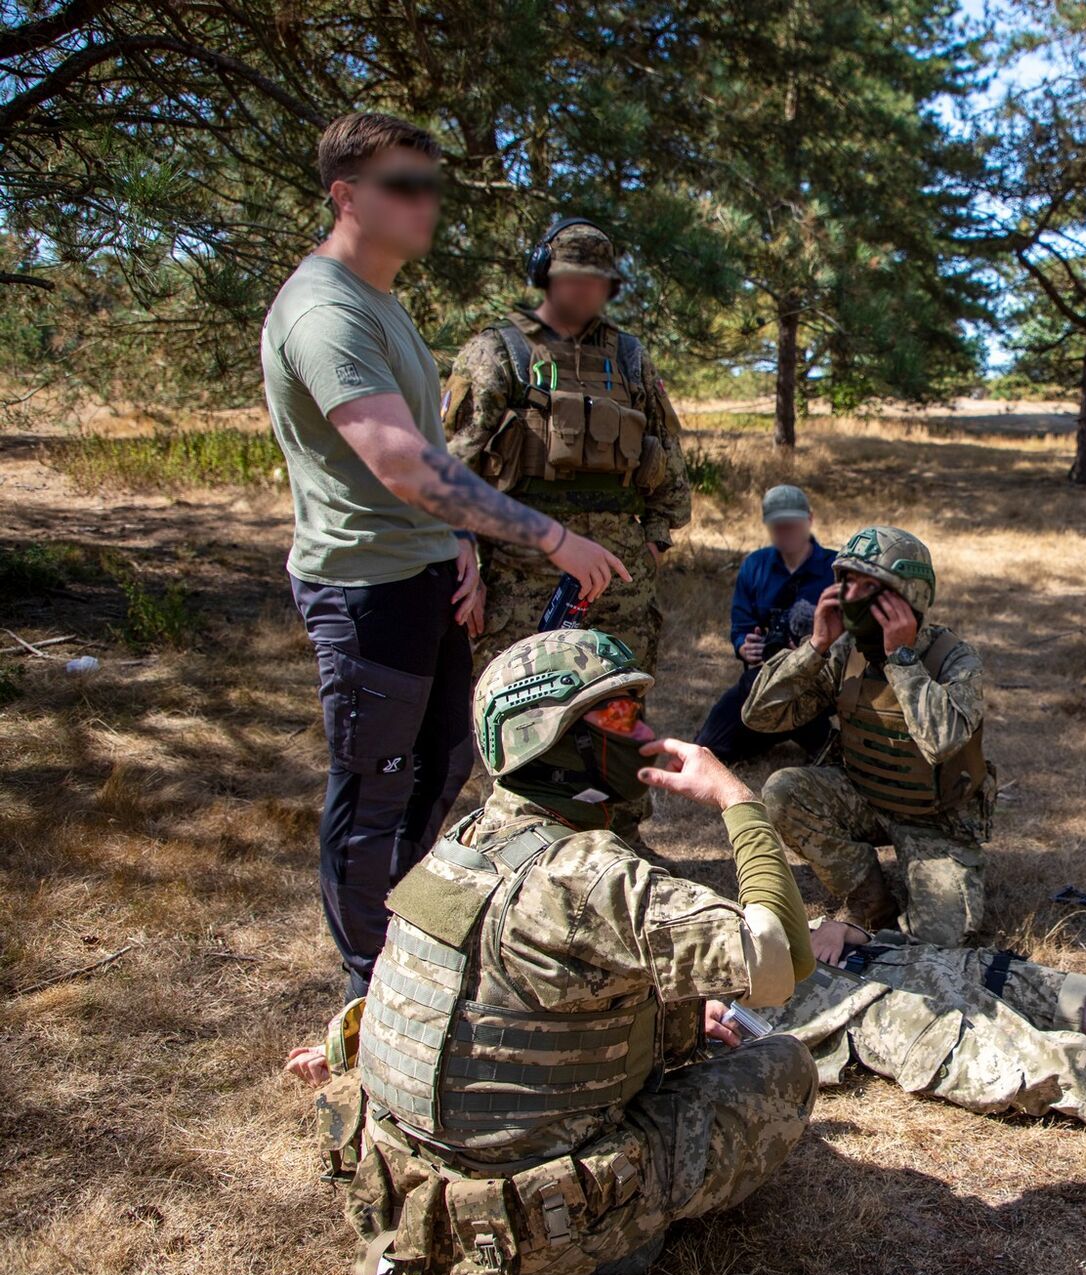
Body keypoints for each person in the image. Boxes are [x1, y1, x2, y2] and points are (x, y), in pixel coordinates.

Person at [289, 628, 818, 1275]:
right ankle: (611, 1238)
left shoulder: (463, 842)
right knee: (786, 1065)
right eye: (624, 716)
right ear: (556, 739)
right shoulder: (593, 877)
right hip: (538, 1225)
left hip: (405, 1193)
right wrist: (735, 800)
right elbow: (781, 957)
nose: (648, 732)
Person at [262, 112, 630, 1000]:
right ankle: (367, 988)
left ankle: (406, 938)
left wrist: (457, 541)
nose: (426, 203)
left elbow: (431, 454)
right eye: (404, 185)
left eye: (432, 185)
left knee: (443, 765)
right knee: (375, 790)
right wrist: (549, 535)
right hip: (364, 589)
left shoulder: (381, 301)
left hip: (422, 576)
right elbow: (396, 461)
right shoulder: (322, 310)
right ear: (347, 196)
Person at [441, 216, 691, 839]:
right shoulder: (497, 351)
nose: (585, 292)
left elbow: (667, 452)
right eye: (572, 277)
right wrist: (462, 555)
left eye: (597, 280)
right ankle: (513, 848)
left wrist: (656, 536)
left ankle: (620, 842)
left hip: (621, 567)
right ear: (544, 276)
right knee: (516, 707)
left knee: (621, 705)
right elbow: (452, 468)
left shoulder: (630, 356)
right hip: (523, 565)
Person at [732, 919, 1086, 1158]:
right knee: (1083, 1072)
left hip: (921, 961)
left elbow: (831, 928)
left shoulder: (702, 923)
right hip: (893, 1018)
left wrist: (839, 927)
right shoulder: (678, 1024)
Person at [741, 525, 994, 945]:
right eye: (847, 581)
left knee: (942, 938)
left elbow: (942, 742)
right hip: (863, 797)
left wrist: (903, 659)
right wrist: (816, 645)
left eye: (869, 586)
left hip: (934, 819)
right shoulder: (845, 651)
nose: (852, 595)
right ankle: (871, 902)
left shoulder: (955, 659)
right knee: (783, 791)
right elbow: (759, 716)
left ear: (909, 596)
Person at [693, 484, 838, 762]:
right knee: (708, 748)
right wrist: (744, 646)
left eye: (792, 525)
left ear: (809, 520)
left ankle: (824, 744)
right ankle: (782, 730)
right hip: (767, 679)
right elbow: (741, 628)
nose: (786, 533)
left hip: (823, 678)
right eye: (778, 526)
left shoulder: (834, 568)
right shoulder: (755, 566)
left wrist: (814, 646)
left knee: (785, 689)